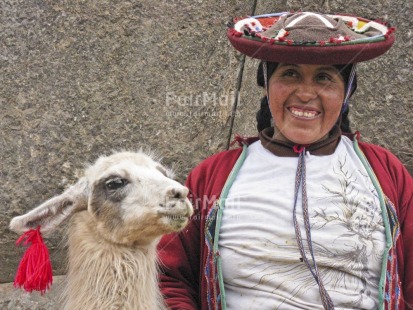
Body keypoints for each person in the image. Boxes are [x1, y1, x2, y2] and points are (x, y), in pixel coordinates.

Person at [158, 11, 412, 310]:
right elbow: (169, 275)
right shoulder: (213, 176)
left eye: (324, 78)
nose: (305, 93)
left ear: (346, 92)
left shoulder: (383, 172)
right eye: (290, 73)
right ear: (266, 84)